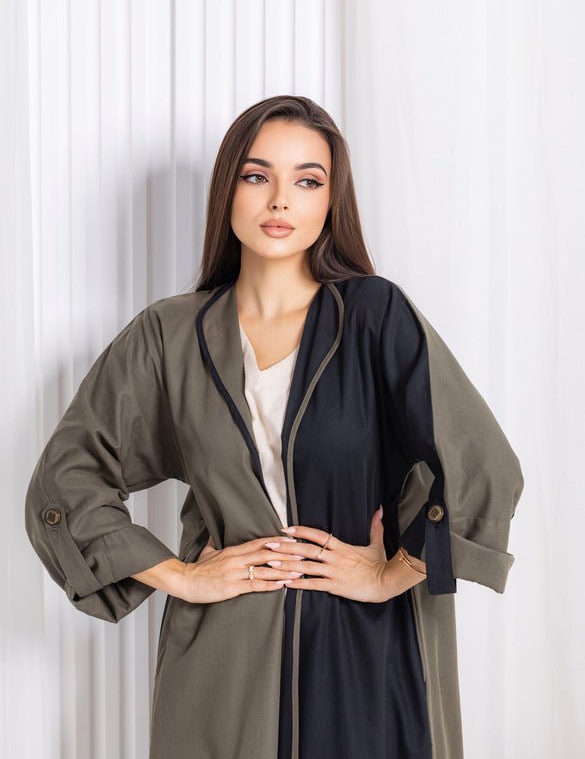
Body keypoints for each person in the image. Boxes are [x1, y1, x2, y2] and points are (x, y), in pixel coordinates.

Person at [24, 95, 524, 759]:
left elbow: (482, 465)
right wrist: (180, 575)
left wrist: (390, 573)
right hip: (223, 663)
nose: (280, 200)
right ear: (227, 190)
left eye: (307, 180)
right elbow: (65, 481)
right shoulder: (169, 336)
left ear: (331, 201)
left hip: (362, 655)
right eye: (257, 175)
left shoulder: (373, 317)